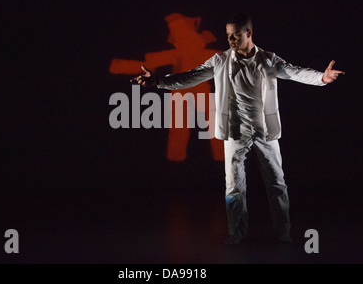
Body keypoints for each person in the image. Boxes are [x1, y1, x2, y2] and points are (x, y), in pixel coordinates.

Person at [130, 13, 344, 245]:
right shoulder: (220, 60)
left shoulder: (269, 59)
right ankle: (236, 234)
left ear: (248, 33)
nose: (230, 40)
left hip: (264, 131)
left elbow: (294, 71)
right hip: (234, 131)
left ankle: (284, 232)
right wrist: (158, 82)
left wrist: (321, 77)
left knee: (277, 183)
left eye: (235, 35)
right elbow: (191, 77)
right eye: (228, 36)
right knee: (233, 187)